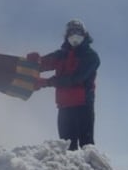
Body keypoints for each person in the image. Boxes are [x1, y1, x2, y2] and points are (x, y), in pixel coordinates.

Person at [28, 20, 100, 150]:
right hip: (64, 107)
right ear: (66, 36)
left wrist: (46, 82)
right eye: (71, 32)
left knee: (87, 146)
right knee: (66, 146)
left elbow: (76, 79)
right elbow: (43, 63)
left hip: (83, 106)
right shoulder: (62, 54)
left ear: (84, 34)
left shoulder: (91, 56)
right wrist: (34, 62)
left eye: (78, 32)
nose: (74, 35)